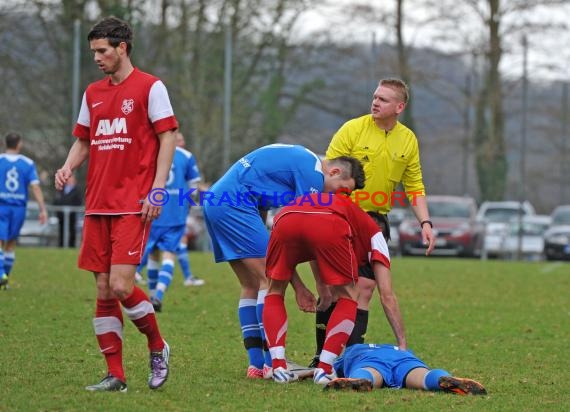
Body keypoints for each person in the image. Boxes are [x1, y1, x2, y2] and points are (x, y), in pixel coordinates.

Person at [54, 16, 177, 392]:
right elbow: (84, 139)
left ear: (122, 48)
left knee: (123, 286)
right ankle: (116, 376)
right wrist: (67, 165)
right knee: (104, 291)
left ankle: (157, 346)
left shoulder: (150, 87)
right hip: (97, 204)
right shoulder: (92, 92)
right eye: (94, 51)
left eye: (102, 51)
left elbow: (168, 137)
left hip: (132, 203)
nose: (97, 58)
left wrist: (157, 189)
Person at [202, 143, 363, 379]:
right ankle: (270, 364)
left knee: (251, 284)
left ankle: (256, 365)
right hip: (235, 205)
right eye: (342, 191)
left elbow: (264, 209)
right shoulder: (314, 174)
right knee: (269, 282)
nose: (339, 197)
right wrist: (313, 285)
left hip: (217, 201)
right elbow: (310, 230)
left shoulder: (301, 158)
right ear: (335, 172)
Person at [310, 78, 436, 365]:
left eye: (383, 99)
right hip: (339, 217)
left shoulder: (408, 139)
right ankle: (321, 357)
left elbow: (414, 186)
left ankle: (350, 358)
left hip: (375, 222)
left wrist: (425, 223)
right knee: (331, 290)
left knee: (365, 289)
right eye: (375, 97)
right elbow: (328, 176)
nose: (375, 102)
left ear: (399, 107)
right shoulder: (352, 129)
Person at [263, 192, 406, 386]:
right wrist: (402, 343)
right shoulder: (375, 234)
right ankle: (324, 368)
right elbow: (387, 295)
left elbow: (298, 255)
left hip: (284, 217)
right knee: (349, 295)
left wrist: (300, 287)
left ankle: (278, 366)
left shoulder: (340, 208)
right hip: (326, 225)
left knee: (274, 290)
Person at [137, 130, 202, 312]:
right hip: (175, 215)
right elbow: (193, 187)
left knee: (153, 255)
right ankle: (158, 295)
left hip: (153, 211)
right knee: (169, 255)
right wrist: (186, 206)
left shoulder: (151, 151)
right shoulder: (187, 156)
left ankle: (150, 298)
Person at [324, 343, 487, 396]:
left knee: (371, 373)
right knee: (423, 376)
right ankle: (443, 379)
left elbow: (331, 371)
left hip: (369, 359)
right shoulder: (397, 348)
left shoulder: (353, 349)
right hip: (403, 356)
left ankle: (359, 381)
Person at [0, 132, 48, 289]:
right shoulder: (27, 163)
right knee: (10, 245)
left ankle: (1, 275)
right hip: (18, 209)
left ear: (5, 143)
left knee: (0, 242)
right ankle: (4, 278)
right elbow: (35, 186)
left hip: (2, 206)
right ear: (19, 144)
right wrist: (42, 209)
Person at [53, 173, 82, 248]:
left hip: (72, 215)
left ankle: (71, 246)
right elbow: (56, 200)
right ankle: (61, 245)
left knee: (72, 231)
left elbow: (78, 201)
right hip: (62, 215)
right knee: (61, 230)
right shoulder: (62, 189)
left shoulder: (77, 190)